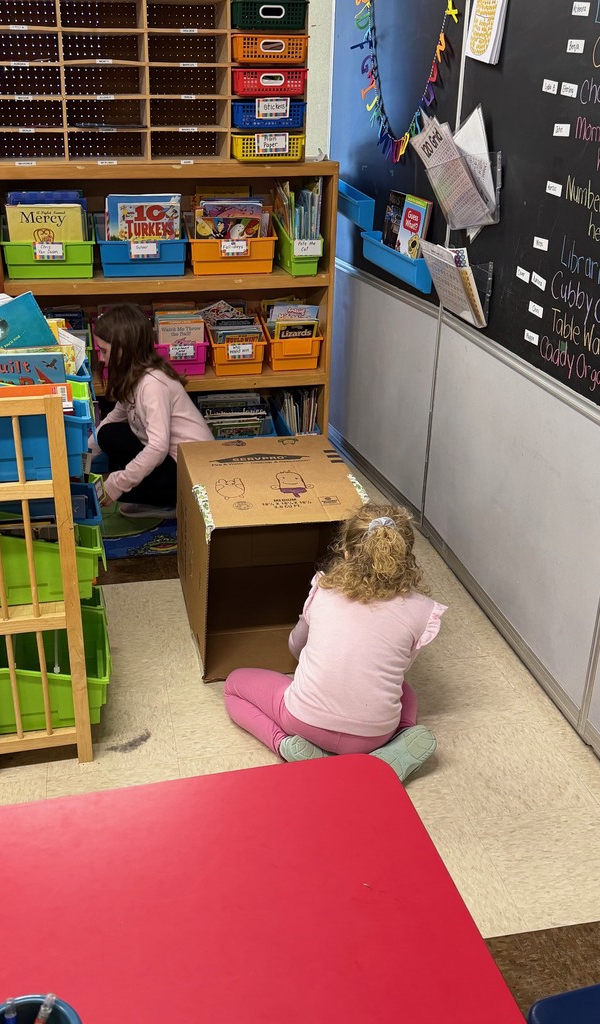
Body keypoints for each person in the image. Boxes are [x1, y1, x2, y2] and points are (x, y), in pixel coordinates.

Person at [223, 503, 446, 782]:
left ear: (346, 552)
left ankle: (284, 744)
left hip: (304, 722)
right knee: (405, 690)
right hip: (375, 734)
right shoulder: (423, 610)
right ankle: (395, 746)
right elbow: (401, 668)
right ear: (405, 556)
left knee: (234, 686)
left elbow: (295, 645)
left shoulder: (323, 588)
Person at [89, 303, 213, 516]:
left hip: (192, 474)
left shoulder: (152, 384)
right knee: (108, 434)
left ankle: (175, 503)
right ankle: (157, 497)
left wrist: (117, 484)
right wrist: (82, 458)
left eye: (104, 351)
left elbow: (157, 448)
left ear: (123, 349)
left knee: (118, 487)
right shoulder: (135, 377)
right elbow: (111, 421)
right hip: (173, 461)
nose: (101, 358)